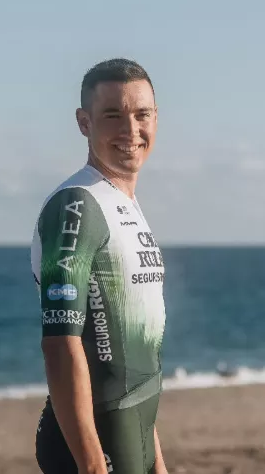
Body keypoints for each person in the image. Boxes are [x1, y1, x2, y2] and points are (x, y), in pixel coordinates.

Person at [29, 58, 169, 474]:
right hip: (94, 447)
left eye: (141, 114)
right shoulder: (76, 206)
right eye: (112, 115)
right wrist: (92, 465)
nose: (130, 130)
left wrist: (155, 460)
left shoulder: (123, 204)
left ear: (156, 118)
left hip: (134, 434)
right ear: (84, 122)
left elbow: (136, 360)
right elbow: (60, 343)